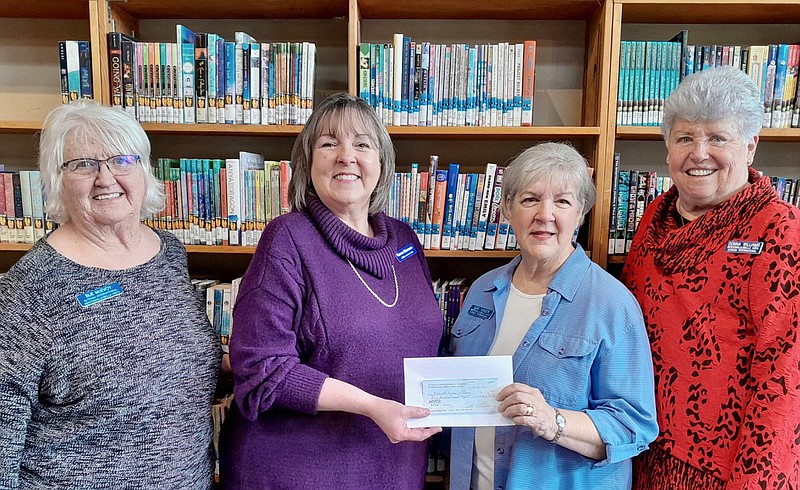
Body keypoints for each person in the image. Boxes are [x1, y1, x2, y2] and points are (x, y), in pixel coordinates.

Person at [219, 93, 443, 489]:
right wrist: (372, 406)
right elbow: (261, 370)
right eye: (328, 143)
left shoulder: (405, 241)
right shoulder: (287, 239)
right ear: (307, 164)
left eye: (362, 144)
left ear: (381, 163)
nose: (346, 156)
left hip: (394, 464)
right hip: (300, 471)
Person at [0, 101, 219, 488]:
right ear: (56, 179)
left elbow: (168, 360)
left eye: (122, 159)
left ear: (144, 171)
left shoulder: (169, 254)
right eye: (83, 164)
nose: (105, 178)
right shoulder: (30, 287)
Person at [621, 66, 800, 489]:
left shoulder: (780, 230)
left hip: (726, 469)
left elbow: (787, 373)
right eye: (685, 138)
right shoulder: (653, 219)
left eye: (718, 138)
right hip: (642, 449)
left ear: (751, 146)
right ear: (668, 149)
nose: (699, 153)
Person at [448, 142, 659, 489]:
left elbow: (633, 427)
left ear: (580, 213)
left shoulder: (612, 304)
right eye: (530, 199)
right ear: (507, 209)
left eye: (562, 201)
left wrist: (553, 421)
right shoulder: (482, 289)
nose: (545, 215)